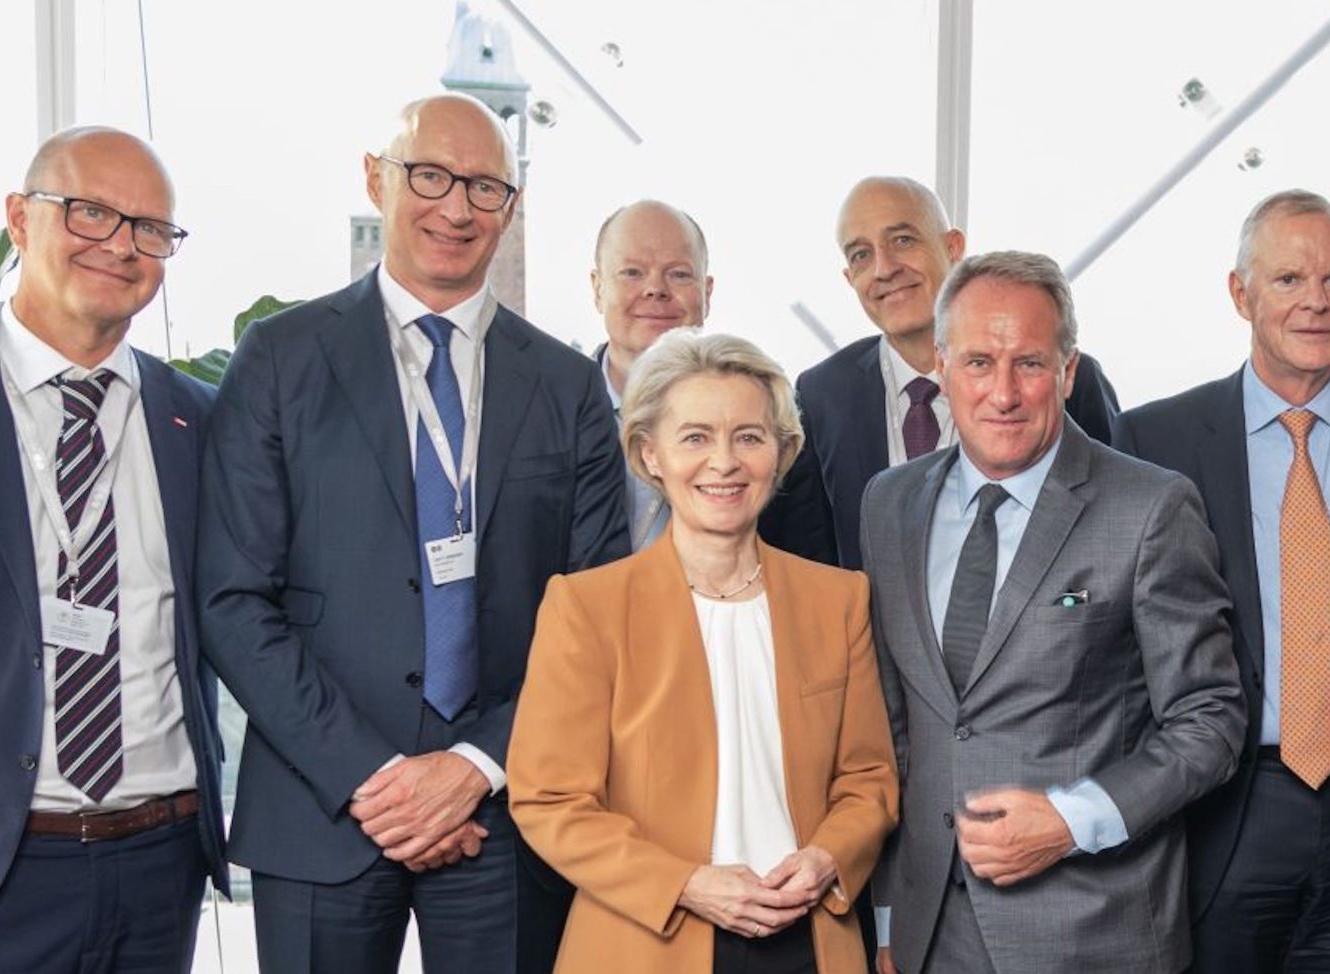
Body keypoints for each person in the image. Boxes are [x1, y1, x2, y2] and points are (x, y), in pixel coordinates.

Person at [197, 92, 629, 974]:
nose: (456, 208)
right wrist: (375, 780)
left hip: (505, 814)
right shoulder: (280, 359)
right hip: (321, 808)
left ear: (510, 207)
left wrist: (474, 764)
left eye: (484, 188)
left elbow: (598, 616)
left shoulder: (565, 384)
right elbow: (233, 601)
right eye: (429, 176)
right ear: (376, 179)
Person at [860, 251, 1245, 974]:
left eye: (1029, 363)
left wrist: (1072, 820)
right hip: (927, 935)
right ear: (942, 367)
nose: (1003, 392)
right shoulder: (889, 504)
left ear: (1068, 371)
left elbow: (1211, 721)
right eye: (979, 362)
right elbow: (894, 731)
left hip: (1092, 935)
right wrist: (889, 918)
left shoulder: (1150, 507)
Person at [0, 126, 227, 971]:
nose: (120, 245)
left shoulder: (200, 422)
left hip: (160, 864)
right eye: (90, 212)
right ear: (19, 218)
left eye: (149, 228)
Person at [509, 328, 899, 973]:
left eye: (749, 437)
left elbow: (868, 779)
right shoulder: (587, 607)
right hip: (646, 941)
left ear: (782, 452)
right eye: (695, 437)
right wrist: (686, 884)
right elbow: (549, 800)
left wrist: (828, 857)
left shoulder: (839, 600)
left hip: (809, 939)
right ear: (650, 454)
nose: (724, 462)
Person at [1113, 189, 1330, 973]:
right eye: (1289, 279)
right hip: (1228, 808)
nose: (1317, 301)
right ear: (1241, 293)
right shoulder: (1155, 440)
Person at [760, 176, 1120, 568]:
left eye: (902, 240)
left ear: (953, 248)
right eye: (861, 255)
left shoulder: (1057, 380)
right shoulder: (822, 394)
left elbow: (1115, 525)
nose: (884, 269)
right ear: (850, 278)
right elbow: (809, 560)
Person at [591, 199, 713, 549]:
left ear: (707, 292)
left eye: (679, 274)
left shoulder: (758, 412)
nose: (655, 288)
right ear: (598, 289)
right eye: (632, 272)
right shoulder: (551, 408)